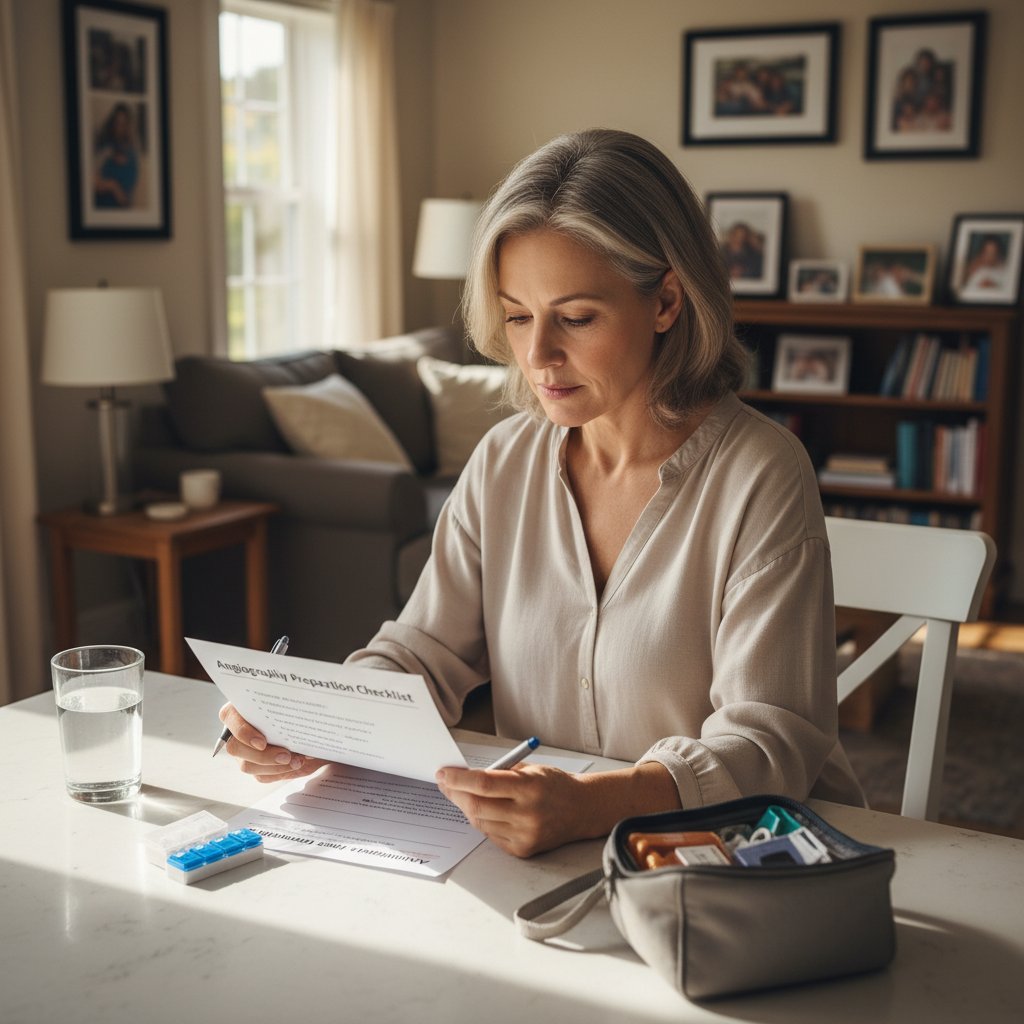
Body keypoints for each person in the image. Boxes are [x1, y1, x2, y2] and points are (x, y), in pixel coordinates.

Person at [219, 128, 865, 857]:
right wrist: (318, 721)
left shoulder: (762, 474)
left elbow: (769, 742)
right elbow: (423, 651)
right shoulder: (503, 461)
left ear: (666, 301)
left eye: (576, 318)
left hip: (741, 859)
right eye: (518, 316)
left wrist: (594, 806)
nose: (536, 355)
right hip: (544, 856)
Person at [92, 102, 138, 209]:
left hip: (117, 210)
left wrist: (113, 187)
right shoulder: (105, 147)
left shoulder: (132, 156)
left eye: (123, 124)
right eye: (117, 123)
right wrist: (112, 185)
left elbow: (125, 199)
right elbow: (93, 181)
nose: (119, 128)